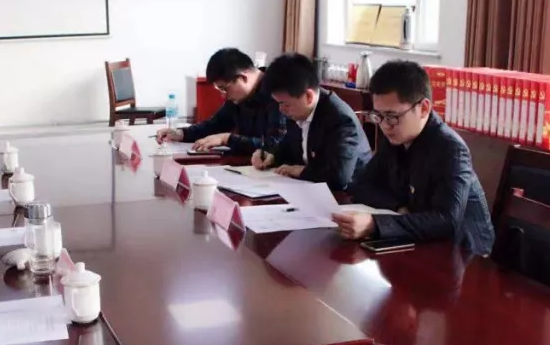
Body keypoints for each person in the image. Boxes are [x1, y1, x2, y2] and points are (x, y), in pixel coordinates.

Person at [332, 60, 495, 255]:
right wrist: (398, 207)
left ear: (424, 108)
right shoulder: (395, 137)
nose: (384, 125)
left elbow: (446, 220)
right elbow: (361, 185)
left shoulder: (450, 149)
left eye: (392, 116)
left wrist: (374, 224)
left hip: (464, 252)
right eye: (379, 116)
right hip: (417, 239)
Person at [251, 53, 371, 191]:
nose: (281, 110)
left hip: (349, 196)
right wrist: (272, 155)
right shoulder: (298, 110)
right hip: (311, 190)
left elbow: (338, 177)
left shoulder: (340, 120)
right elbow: (290, 147)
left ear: (308, 96)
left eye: (285, 104)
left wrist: (300, 171)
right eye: (278, 103)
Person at [155, 48, 287, 155]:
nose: (223, 96)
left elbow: (275, 145)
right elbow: (215, 125)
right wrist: (182, 133)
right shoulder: (238, 97)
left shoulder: (278, 92)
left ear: (242, 78)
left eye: (224, 88)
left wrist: (227, 139)